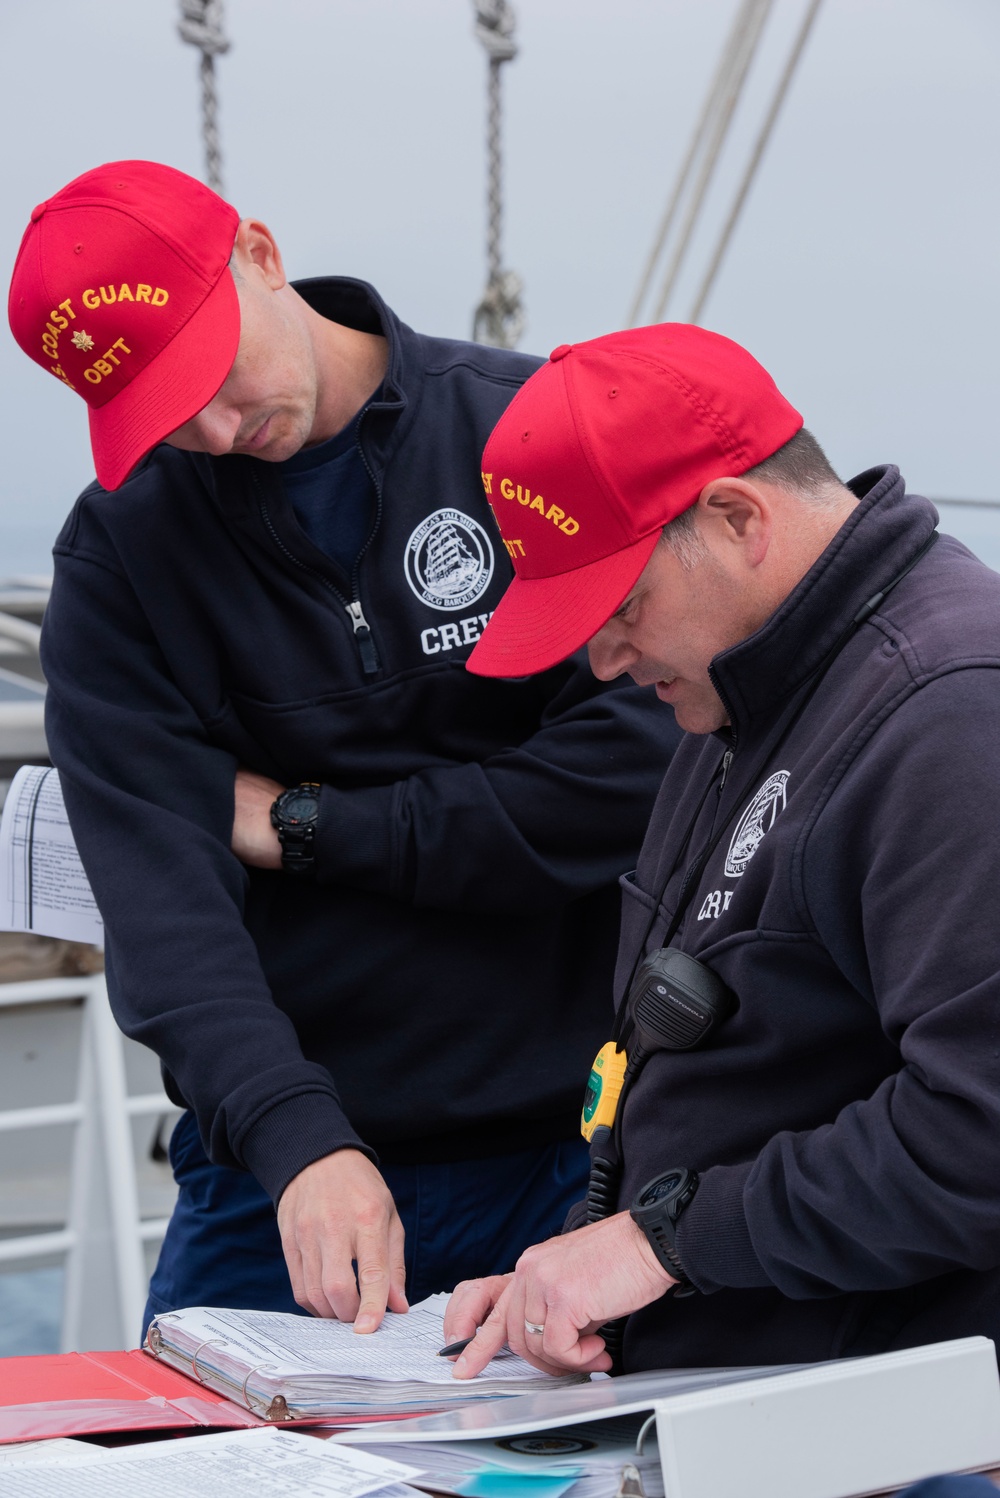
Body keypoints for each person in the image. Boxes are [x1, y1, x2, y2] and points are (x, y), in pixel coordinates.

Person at [6, 161, 680, 1336]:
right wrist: (297, 1138)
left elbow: (633, 771)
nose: (218, 431)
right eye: (166, 416)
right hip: (287, 1172)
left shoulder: (524, 433)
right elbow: (165, 908)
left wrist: (311, 827)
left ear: (259, 254)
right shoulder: (120, 563)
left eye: (210, 373)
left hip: (579, 1150)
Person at [444, 322, 1000, 1379]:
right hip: (731, 1395)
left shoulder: (952, 709)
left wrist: (663, 1243)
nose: (604, 659)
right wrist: (572, 1273)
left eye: (619, 605)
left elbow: (980, 1128)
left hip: (890, 1433)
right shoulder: (739, 694)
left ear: (737, 516)